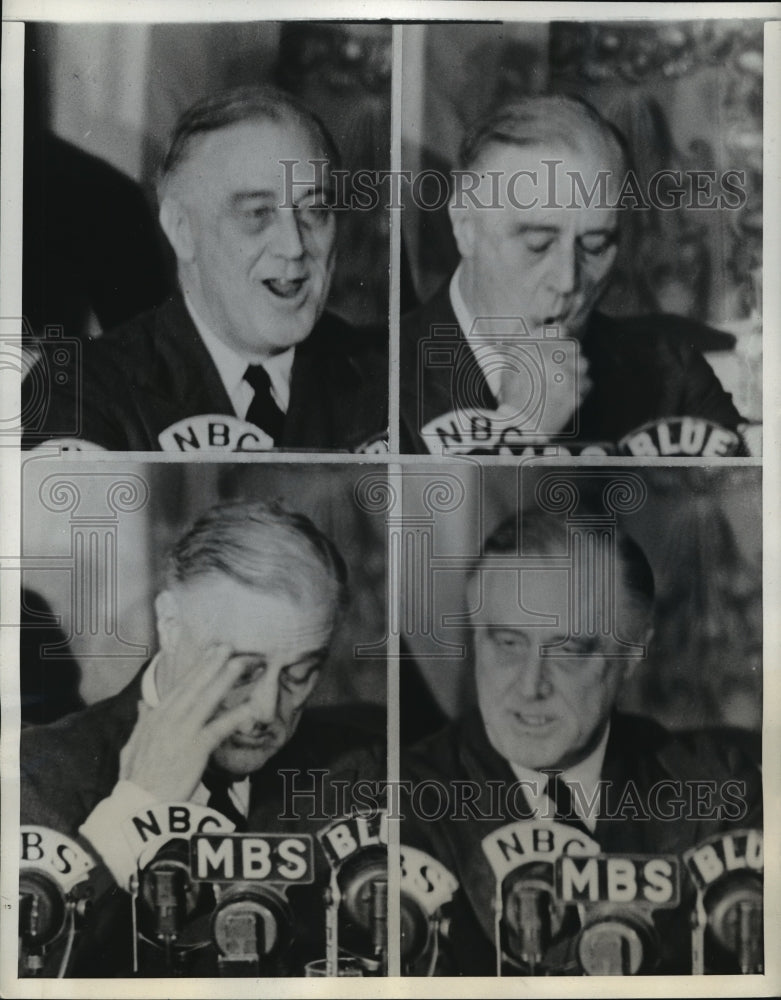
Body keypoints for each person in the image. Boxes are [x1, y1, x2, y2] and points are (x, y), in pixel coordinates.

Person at [20, 500, 386, 976]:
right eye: (242, 671)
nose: (266, 710)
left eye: (299, 674)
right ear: (170, 626)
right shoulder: (35, 777)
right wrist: (132, 812)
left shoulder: (360, 772)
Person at [400, 505, 762, 975]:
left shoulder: (717, 796)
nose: (530, 685)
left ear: (631, 655)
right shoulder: (400, 800)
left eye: (569, 650)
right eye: (507, 644)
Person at [22, 86, 387, 454]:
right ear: (182, 231)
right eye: (257, 213)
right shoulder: (83, 391)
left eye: (315, 209)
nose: (294, 246)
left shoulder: (391, 378)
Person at [400, 95, 745, 456]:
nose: (568, 282)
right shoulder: (371, 382)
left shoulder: (672, 378)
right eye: (537, 244)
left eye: (595, 246)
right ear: (465, 226)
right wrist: (519, 429)